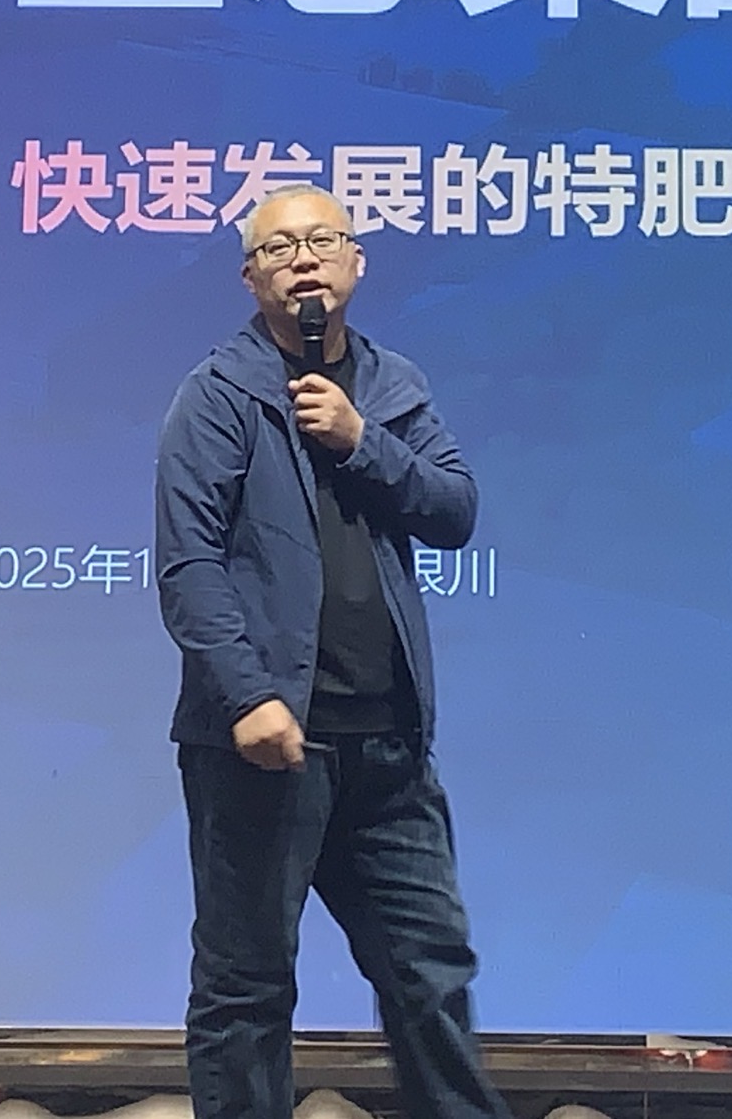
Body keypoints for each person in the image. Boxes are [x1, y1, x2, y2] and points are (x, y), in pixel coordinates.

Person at [154, 183, 510, 1119]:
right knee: (246, 987)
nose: (303, 259)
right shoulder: (218, 394)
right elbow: (188, 563)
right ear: (250, 278)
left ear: (356, 262)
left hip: (389, 747)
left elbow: (454, 512)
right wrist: (246, 695)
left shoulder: (391, 387)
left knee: (430, 975)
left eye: (322, 240)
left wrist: (360, 442)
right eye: (278, 249)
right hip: (265, 747)